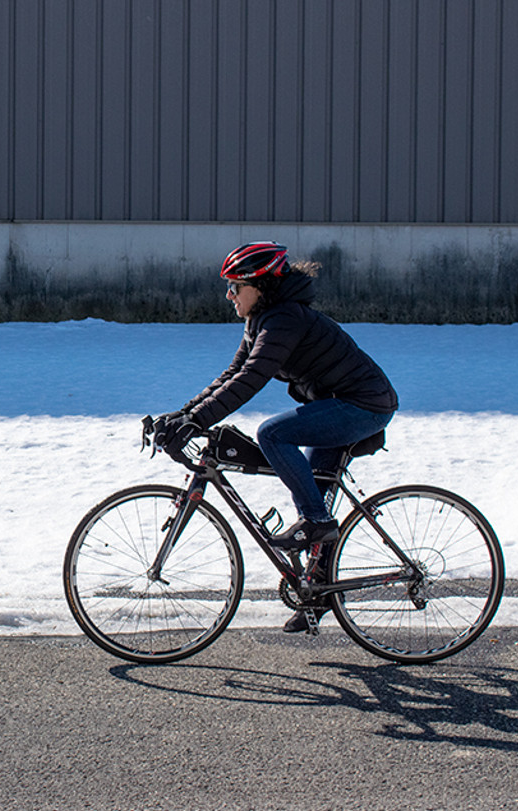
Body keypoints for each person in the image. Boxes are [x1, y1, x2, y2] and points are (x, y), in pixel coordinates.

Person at [153, 241, 398, 632]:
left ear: (260, 286)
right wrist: (183, 415)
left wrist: (196, 422)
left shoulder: (284, 320)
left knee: (273, 434)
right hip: (339, 403)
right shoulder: (262, 320)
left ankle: (316, 523)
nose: (229, 294)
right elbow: (231, 375)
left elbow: (252, 379)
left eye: (235, 286)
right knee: (315, 496)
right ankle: (318, 596)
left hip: (363, 405)